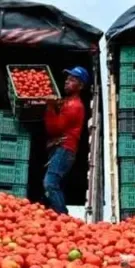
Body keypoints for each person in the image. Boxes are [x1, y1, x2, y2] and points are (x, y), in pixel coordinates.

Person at [43, 67, 89, 214]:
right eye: (67, 79)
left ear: (80, 86)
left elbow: (55, 129)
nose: (67, 82)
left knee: (50, 183)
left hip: (64, 148)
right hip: (62, 149)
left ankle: (63, 216)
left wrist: (50, 108)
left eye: (72, 80)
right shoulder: (67, 102)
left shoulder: (74, 106)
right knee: (56, 185)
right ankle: (57, 216)